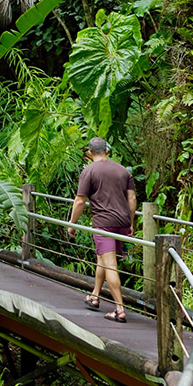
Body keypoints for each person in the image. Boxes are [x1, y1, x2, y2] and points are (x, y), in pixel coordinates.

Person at [66, 137, 136, 323]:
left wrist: (72, 223)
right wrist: (130, 223)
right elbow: (132, 199)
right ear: (107, 151)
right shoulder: (123, 171)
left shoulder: (89, 171)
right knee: (102, 259)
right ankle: (95, 296)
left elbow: (80, 200)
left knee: (110, 265)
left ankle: (119, 310)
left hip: (104, 223)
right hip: (122, 221)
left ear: (89, 153)